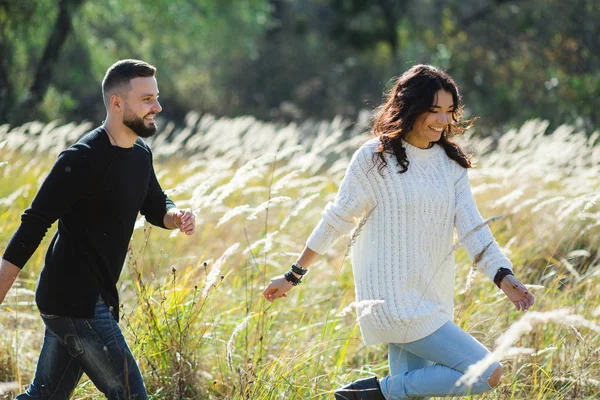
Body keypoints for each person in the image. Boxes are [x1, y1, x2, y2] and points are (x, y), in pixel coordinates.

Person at [263, 64, 535, 400]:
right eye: (434, 111)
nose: (443, 121)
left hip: (431, 299)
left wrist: (502, 275)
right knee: (487, 373)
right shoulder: (374, 158)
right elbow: (337, 218)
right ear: (410, 107)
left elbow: (473, 228)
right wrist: (292, 274)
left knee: (408, 398)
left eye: (449, 112)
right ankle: (375, 392)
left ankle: (382, 394)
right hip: (393, 302)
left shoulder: (450, 165)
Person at [0, 59, 196, 399]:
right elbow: (35, 224)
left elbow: (154, 203)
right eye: (147, 99)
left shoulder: (139, 154)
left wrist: (175, 214)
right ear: (117, 102)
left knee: (43, 397)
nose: (158, 107)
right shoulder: (81, 157)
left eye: (157, 97)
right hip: (75, 302)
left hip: (92, 301)